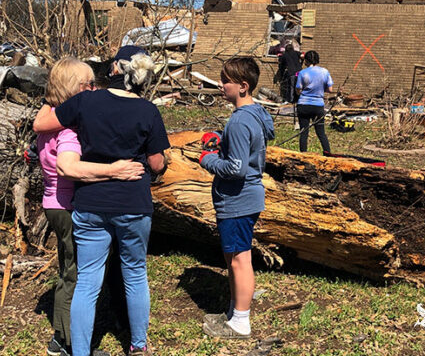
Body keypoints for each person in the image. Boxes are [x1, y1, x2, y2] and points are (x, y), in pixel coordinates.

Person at [33, 45, 170, 356]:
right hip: (133, 203)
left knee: (87, 282)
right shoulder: (149, 110)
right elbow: (158, 164)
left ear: (115, 70)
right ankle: (138, 346)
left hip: (90, 203)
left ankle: (80, 350)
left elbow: (42, 123)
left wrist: (52, 91)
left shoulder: (85, 101)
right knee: (135, 273)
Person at [199, 57, 275, 339]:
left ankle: (241, 322)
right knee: (233, 257)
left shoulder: (240, 121)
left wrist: (208, 159)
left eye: (225, 80)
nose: (220, 85)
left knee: (240, 260)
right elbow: (245, 148)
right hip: (244, 198)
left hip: (238, 199)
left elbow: (236, 168)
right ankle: (234, 312)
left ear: (243, 86)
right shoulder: (256, 113)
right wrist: (221, 138)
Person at [295, 50, 333, 154]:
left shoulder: (303, 73)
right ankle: (328, 154)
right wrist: (320, 90)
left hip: (304, 105)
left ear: (306, 61)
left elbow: (298, 89)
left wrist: (301, 92)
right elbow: (330, 89)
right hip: (318, 106)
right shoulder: (324, 72)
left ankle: (303, 155)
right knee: (321, 133)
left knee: (304, 132)